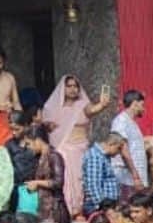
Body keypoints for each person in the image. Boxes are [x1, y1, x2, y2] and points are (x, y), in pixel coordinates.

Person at [44, 75, 111, 215]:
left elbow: (92, 110)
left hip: (80, 149)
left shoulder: (82, 105)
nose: (73, 89)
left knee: (80, 180)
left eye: (76, 86)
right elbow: (46, 125)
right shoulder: (53, 107)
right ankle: (66, 211)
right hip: (64, 149)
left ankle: (79, 211)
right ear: (63, 88)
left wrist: (102, 105)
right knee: (67, 180)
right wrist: (49, 125)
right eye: (69, 86)